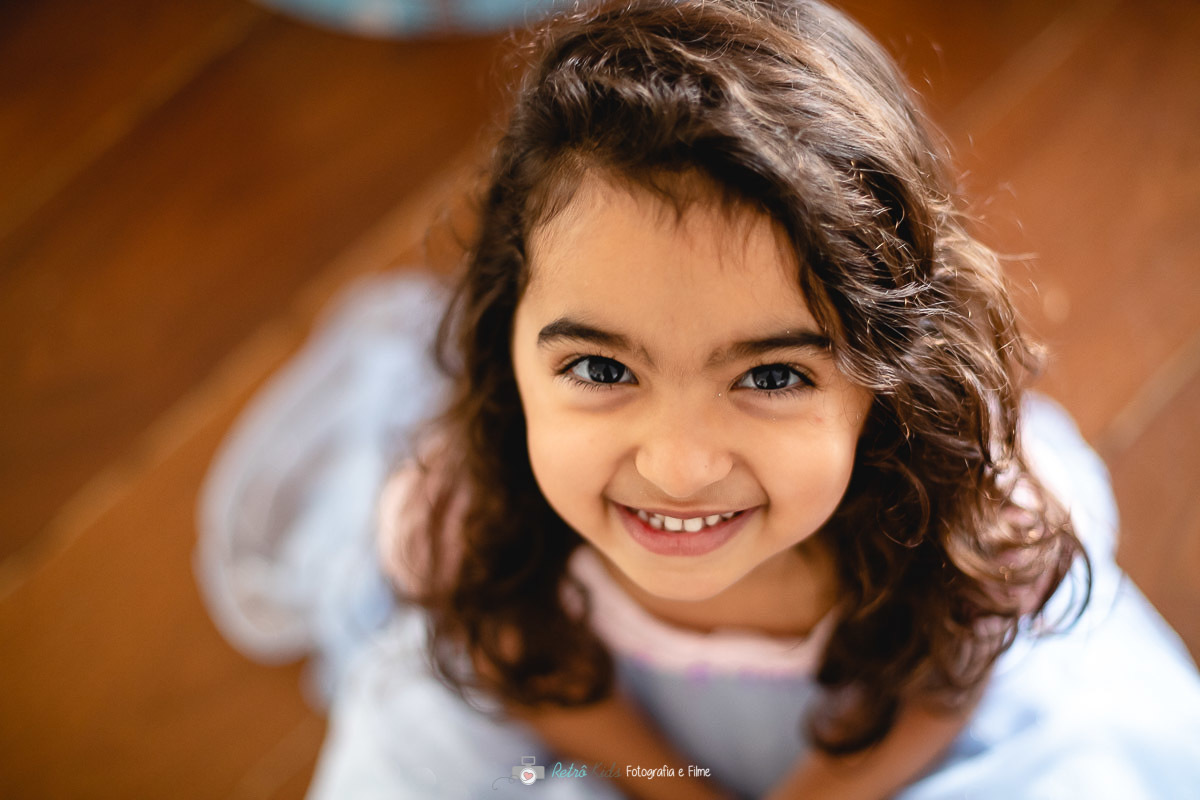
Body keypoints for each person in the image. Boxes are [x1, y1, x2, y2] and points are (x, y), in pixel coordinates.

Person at [196, 0, 1200, 797]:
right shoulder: (474, 520)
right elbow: (523, 664)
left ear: (889, 374)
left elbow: (938, 691)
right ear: (507, 345)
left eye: (771, 376)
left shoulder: (969, 538)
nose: (678, 467)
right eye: (601, 370)